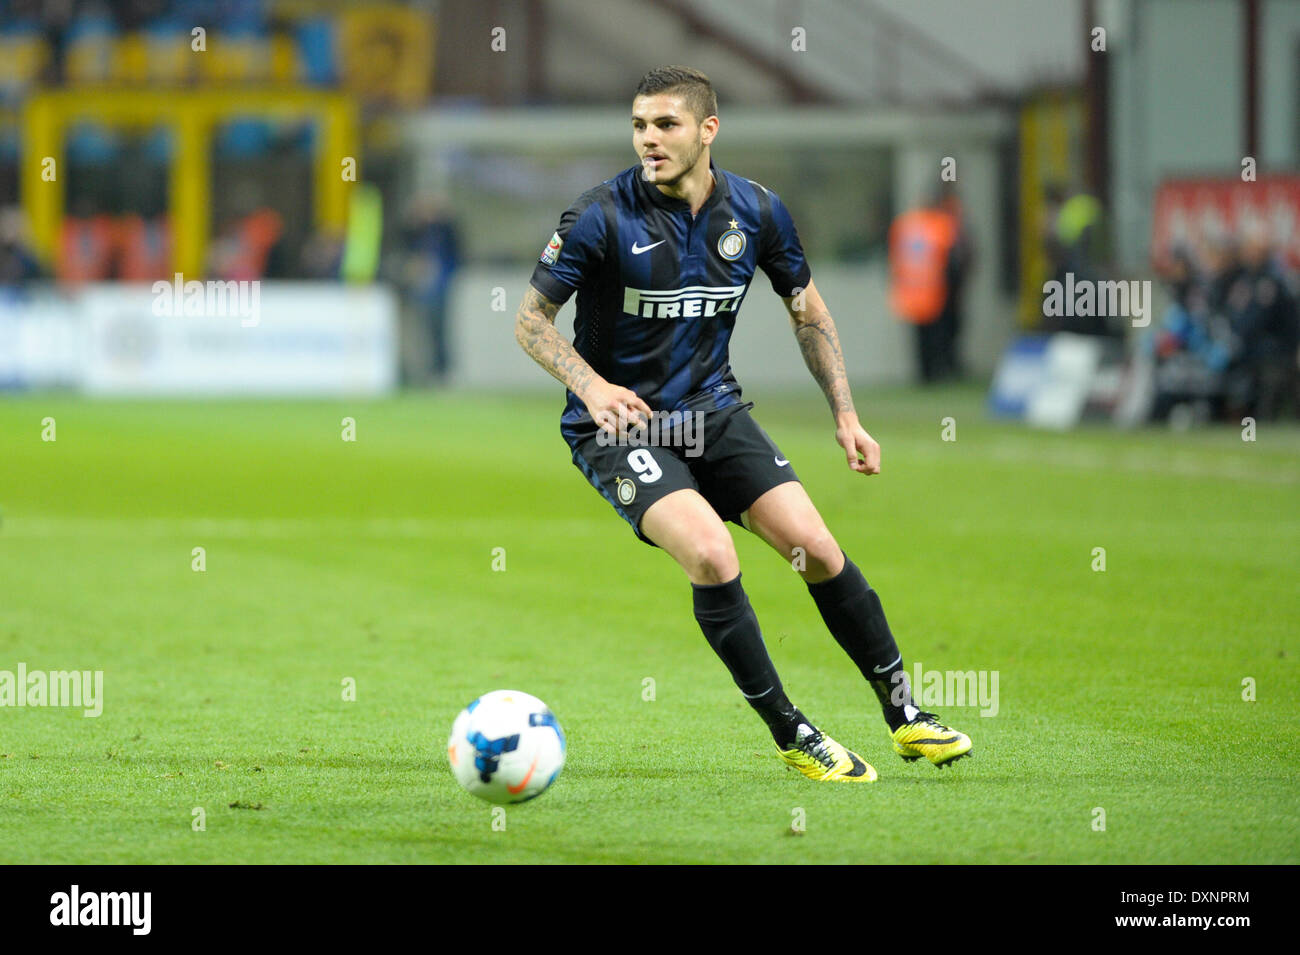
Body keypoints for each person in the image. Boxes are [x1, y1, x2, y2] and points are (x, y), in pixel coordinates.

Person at [513, 66, 971, 783]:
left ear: (708, 130)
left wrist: (846, 415)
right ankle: (794, 732)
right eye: (639, 125)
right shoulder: (599, 214)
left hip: (714, 414)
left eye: (665, 124)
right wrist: (592, 385)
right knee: (710, 553)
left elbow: (808, 310)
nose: (649, 140)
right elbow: (531, 321)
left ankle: (906, 715)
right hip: (620, 427)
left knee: (816, 547)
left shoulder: (757, 212)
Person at [887, 185, 969, 382]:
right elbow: (953, 257)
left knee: (921, 337)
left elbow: (895, 257)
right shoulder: (940, 225)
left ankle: (926, 374)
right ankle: (936, 372)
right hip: (933, 289)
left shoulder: (905, 224)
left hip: (913, 289)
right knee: (937, 334)